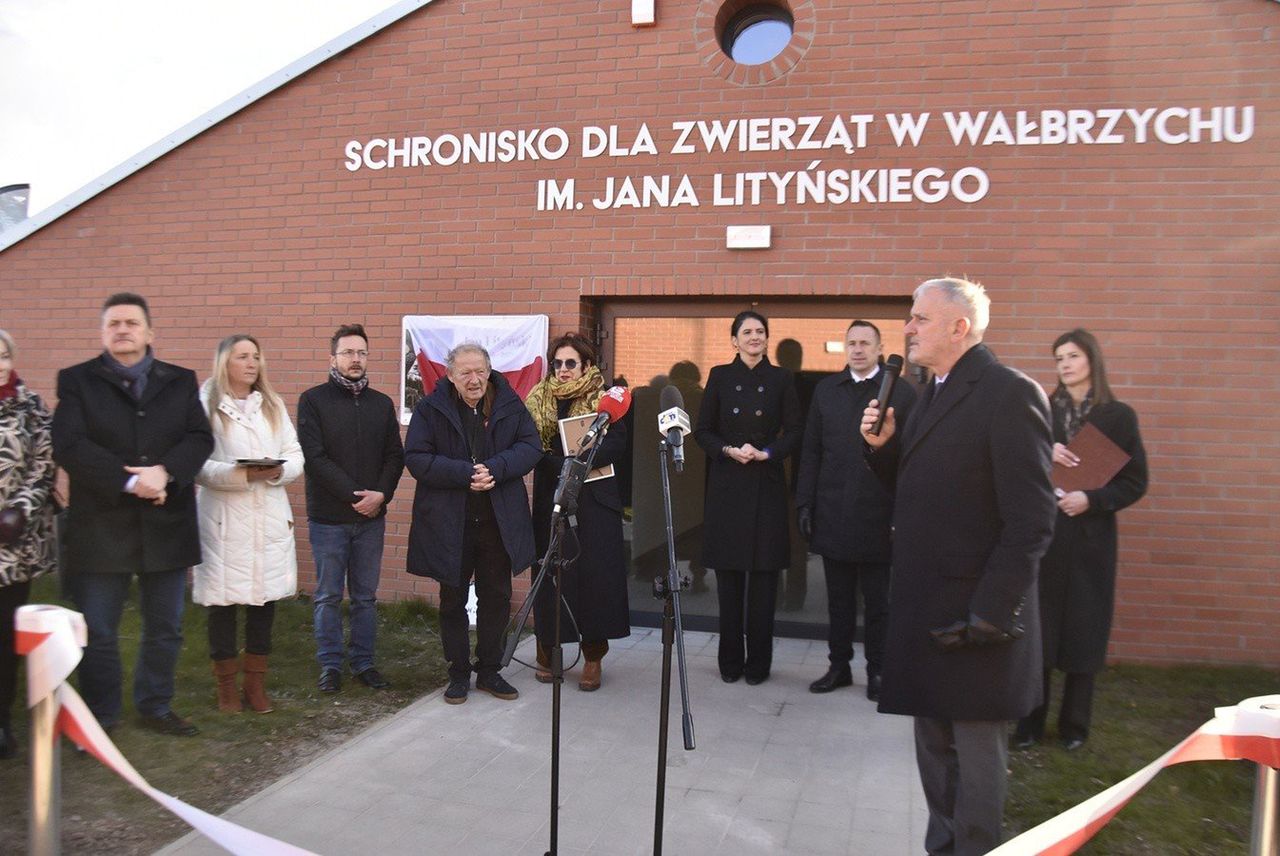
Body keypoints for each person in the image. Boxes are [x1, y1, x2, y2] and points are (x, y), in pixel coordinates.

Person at [860, 278, 1056, 856]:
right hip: (929, 613)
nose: (908, 329)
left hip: (977, 624)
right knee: (934, 758)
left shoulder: (1008, 394)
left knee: (975, 771)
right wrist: (885, 449)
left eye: (919, 318)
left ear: (959, 326)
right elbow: (923, 492)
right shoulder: (930, 395)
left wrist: (991, 614)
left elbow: (1031, 521)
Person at [52, 293, 214, 736]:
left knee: (166, 627)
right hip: (101, 527)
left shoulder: (180, 381)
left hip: (167, 524)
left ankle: (155, 706)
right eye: (113, 324)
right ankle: (101, 717)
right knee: (100, 630)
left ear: (149, 332)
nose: (122, 330)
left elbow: (199, 439)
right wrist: (130, 481)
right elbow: (69, 444)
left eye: (131, 323)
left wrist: (166, 473)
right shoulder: (77, 380)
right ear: (103, 333)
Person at [1014, 329, 1148, 751]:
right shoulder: (1042, 411)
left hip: (1090, 539)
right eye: (1058, 358)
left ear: (1092, 359)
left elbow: (1135, 482)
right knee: (1040, 631)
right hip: (1046, 537)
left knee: (1084, 632)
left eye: (1072, 356)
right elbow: (1014, 467)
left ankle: (1074, 728)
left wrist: (1090, 499)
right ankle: (1030, 724)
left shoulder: (1117, 416)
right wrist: (1044, 452)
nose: (1065, 364)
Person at [404, 343, 541, 704]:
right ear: (450, 375)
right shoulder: (431, 409)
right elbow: (417, 457)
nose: (474, 379)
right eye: (465, 372)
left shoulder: (510, 404)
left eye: (480, 370)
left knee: (496, 596)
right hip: (451, 522)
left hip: (498, 521)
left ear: (489, 370)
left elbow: (531, 446)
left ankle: (490, 671)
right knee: (452, 598)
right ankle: (458, 672)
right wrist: (464, 474)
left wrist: (496, 468)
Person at [795, 320, 916, 701]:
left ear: (880, 348)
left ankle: (878, 672)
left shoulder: (903, 393)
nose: (859, 349)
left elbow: (911, 456)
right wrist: (805, 501)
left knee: (879, 603)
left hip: (881, 513)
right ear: (844, 348)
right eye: (852, 343)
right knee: (839, 600)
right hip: (834, 510)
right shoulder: (826, 391)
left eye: (866, 343)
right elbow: (811, 450)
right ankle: (839, 667)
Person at [194, 335, 304, 714]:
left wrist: (276, 472)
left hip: (268, 516)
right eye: (242, 356)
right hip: (224, 519)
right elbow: (198, 464)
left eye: (256, 355)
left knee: (263, 600)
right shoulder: (206, 404)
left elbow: (295, 454)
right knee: (222, 604)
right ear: (225, 362)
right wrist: (242, 475)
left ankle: (255, 685)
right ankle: (226, 687)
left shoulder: (271, 403)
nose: (251, 363)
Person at [694, 310, 801, 685]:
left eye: (760, 331)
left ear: (767, 338)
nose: (755, 337)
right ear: (734, 341)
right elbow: (702, 430)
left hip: (766, 486)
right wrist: (727, 450)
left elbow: (794, 433)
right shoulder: (720, 377)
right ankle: (729, 662)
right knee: (729, 582)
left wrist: (766, 453)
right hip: (727, 488)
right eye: (747, 332)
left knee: (763, 584)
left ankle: (758, 665)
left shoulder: (782, 378)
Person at [297, 323, 404, 694]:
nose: (355, 359)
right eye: (347, 353)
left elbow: (394, 456)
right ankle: (330, 664)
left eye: (361, 352)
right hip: (329, 518)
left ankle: (363, 662)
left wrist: (382, 495)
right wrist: (354, 496)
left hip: (372, 519)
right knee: (327, 594)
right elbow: (315, 458)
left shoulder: (381, 404)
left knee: (365, 597)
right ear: (333, 358)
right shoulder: (313, 401)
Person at [523, 333, 629, 691]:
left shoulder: (605, 400)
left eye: (571, 363)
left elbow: (617, 442)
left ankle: (593, 658)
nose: (564, 370)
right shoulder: (538, 400)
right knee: (552, 577)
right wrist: (558, 464)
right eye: (558, 363)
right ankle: (548, 651)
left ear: (585, 365)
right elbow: (530, 446)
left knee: (596, 581)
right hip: (551, 498)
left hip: (595, 505)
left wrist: (580, 461)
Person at [0, 330, 57, 758]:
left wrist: (18, 511)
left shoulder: (31, 405)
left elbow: (43, 465)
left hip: (12, 544)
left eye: (4, 356)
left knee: (5, 636)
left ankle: (3, 719)